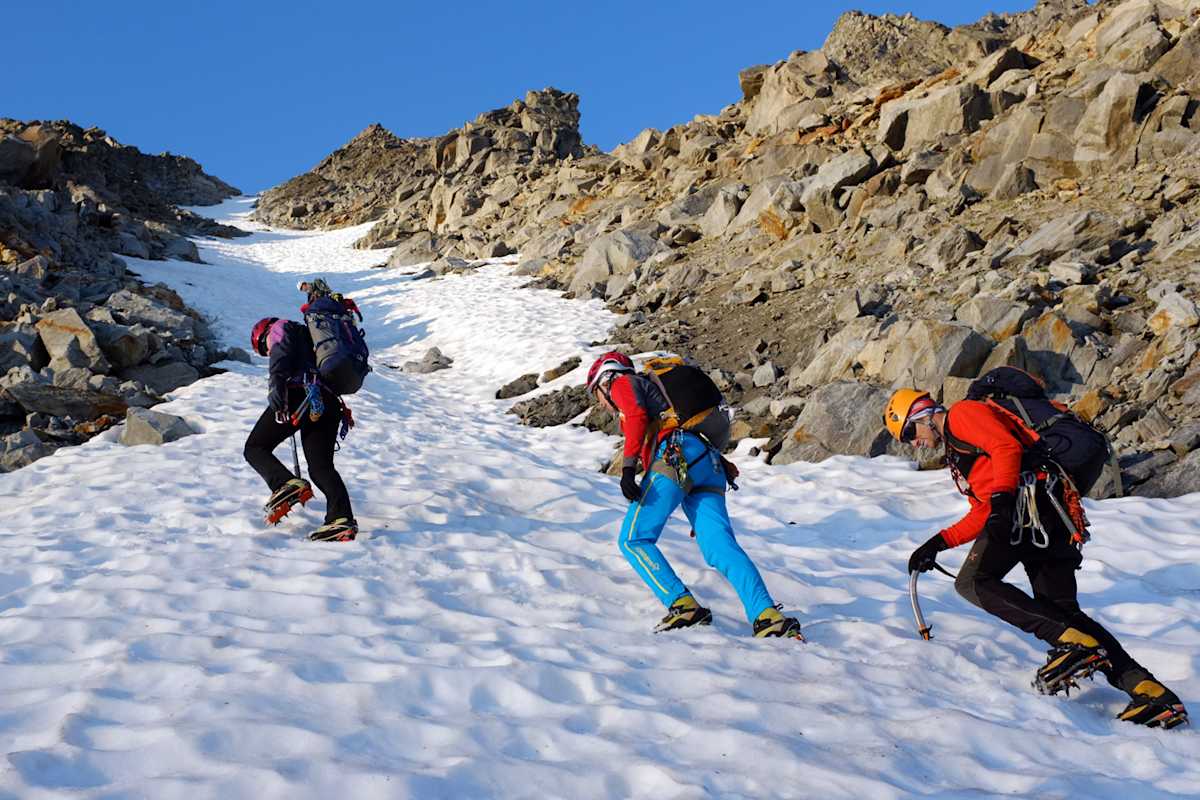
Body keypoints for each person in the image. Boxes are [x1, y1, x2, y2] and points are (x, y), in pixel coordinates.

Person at [884, 388, 1188, 729]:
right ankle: (1150, 691)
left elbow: (1005, 448)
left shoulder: (962, 415)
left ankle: (1072, 643)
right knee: (1062, 611)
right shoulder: (957, 450)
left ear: (924, 414)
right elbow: (983, 510)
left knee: (972, 582)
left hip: (1030, 509)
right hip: (1047, 511)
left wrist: (1002, 502)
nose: (914, 443)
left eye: (910, 432)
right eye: (906, 440)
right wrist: (938, 543)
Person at [587, 351, 802, 639]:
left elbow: (637, 415)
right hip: (708, 463)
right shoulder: (653, 392)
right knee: (720, 547)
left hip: (676, 456)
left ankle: (681, 604)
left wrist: (628, 468)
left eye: (596, 394)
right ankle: (766, 615)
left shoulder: (622, 382)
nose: (601, 403)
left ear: (605, 379)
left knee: (633, 538)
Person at [243, 316, 357, 542]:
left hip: (300, 394)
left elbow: (280, 355)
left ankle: (285, 484)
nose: (267, 352)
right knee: (321, 468)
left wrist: (276, 385)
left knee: (255, 447)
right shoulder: (312, 339)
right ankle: (341, 520)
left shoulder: (280, 327)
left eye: (264, 349)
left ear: (262, 335)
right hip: (329, 402)